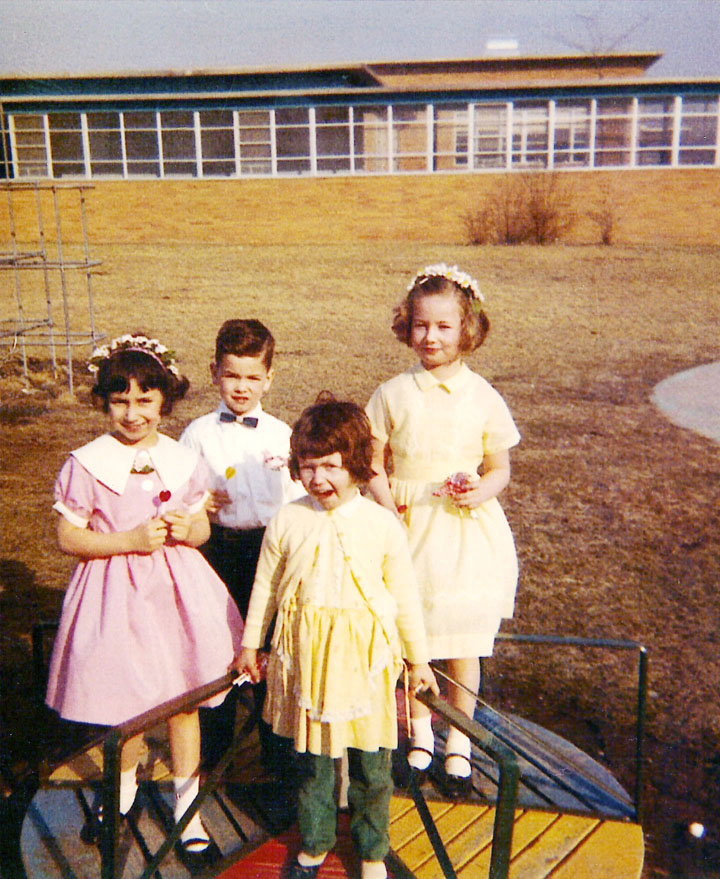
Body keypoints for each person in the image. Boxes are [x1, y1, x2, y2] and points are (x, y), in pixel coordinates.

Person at [45, 333, 244, 861]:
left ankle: (187, 808)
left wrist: (188, 528)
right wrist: (127, 541)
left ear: (165, 401)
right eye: (120, 401)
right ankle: (123, 793)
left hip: (175, 597)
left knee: (183, 705)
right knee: (124, 707)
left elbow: (202, 526)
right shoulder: (87, 463)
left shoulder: (180, 460)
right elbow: (69, 537)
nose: (133, 414)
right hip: (114, 596)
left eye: (145, 401)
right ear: (104, 403)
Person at [236, 398, 438, 879]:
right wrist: (251, 643)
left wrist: (419, 660)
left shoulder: (381, 524)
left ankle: (371, 851)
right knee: (313, 763)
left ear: (358, 467)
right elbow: (265, 585)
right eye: (308, 467)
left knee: (372, 765)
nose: (319, 479)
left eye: (331, 466)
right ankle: (316, 840)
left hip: (364, 661)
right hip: (307, 659)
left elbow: (404, 597)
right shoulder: (288, 519)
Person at [365, 263, 520, 797]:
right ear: (407, 327)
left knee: (462, 640)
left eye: (444, 327)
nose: (430, 337)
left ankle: (458, 742)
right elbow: (373, 462)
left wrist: (481, 488)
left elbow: (499, 466)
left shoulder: (481, 396)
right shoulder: (391, 393)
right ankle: (419, 735)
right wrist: (386, 509)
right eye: (421, 326)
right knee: (415, 636)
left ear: (467, 330)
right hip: (408, 524)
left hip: (462, 532)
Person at [179, 318, 303, 775]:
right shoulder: (196, 435)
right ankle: (213, 758)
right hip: (216, 551)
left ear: (270, 377)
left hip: (269, 554)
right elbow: (178, 493)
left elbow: (298, 498)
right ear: (214, 372)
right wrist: (200, 502)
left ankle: (275, 757)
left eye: (253, 377)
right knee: (218, 650)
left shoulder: (281, 435)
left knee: (270, 651)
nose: (242, 387)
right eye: (232, 375)